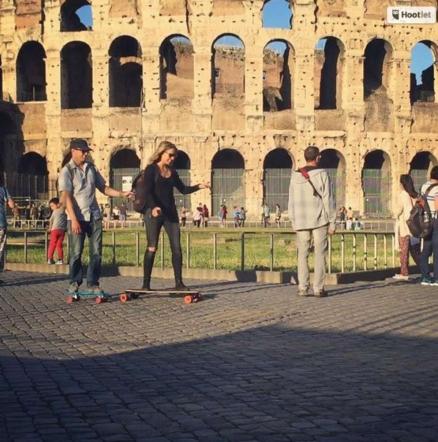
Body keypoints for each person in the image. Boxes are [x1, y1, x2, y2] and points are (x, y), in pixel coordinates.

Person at [58, 138, 133, 295]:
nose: (85, 154)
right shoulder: (66, 171)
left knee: (96, 252)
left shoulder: (91, 168)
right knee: (76, 253)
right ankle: (74, 282)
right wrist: (74, 220)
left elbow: (103, 188)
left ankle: (93, 283)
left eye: (87, 151)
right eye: (83, 151)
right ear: (73, 151)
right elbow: (66, 197)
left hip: (94, 215)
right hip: (76, 217)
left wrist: (121, 194)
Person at [141, 141, 210, 290]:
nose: (172, 159)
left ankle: (179, 283)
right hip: (154, 213)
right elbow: (147, 191)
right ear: (161, 153)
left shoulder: (172, 172)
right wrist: (153, 207)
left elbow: (183, 189)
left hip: (170, 213)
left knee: (177, 248)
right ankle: (146, 284)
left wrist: (199, 186)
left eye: (174, 156)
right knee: (152, 247)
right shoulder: (151, 169)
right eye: (170, 155)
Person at [288, 145, 336, 297]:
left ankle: (302, 287)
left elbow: (291, 200)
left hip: (301, 219)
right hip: (319, 218)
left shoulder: (295, 176)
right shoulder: (322, 174)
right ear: (318, 157)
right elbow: (328, 199)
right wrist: (332, 221)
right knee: (320, 253)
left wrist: (293, 220)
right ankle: (318, 288)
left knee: (302, 254)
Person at [393, 174, 421, 281]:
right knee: (416, 252)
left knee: (404, 252)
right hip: (415, 228)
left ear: (402, 184)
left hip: (405, 228)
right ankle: (425, 271)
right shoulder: (415, 195)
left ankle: (404, 273)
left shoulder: (403, 195)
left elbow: (397, 211)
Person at [419, 166, 438, 286]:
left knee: (426, 249)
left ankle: (425, 276)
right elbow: (437, 206)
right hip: (436, 220)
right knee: (437, 250)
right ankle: (436, 278)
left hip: (426, 221)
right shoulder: (437, 188)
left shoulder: (424, 186)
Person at [0, 176, 15, 284]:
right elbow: (11, 204)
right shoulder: (3, 189)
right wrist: (14, 208)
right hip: (1, 224)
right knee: (0, 249)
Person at [47, 197, 67, 265]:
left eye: (52, 206)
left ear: (57, 204)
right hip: (62, 230)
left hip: (54, 230)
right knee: (59, 245)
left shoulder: (55, 211)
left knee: (52, 244)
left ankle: (50, 258)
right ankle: (60, 259)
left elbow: (51, 220)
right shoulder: (64, 210)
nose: (51, 208)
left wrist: (50, 228)